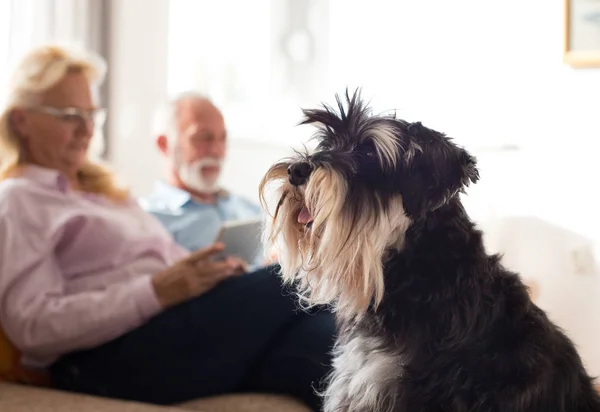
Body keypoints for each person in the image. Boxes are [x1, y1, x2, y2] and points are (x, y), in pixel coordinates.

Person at [0, 44, 335, 410]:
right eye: (67, 115)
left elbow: (170, 268)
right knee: (294, 277)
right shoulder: (19, 198)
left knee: (327, 346)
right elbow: (31, 326)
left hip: (174, 329)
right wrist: (155, 292)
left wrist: (215, 277)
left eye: (90, 113)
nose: (86, 128)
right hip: (107, 356)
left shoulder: (105, 193)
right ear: (21, 120)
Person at [140, 92, 269, 267]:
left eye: (223, 138)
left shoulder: (249, 208)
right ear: (164, 144)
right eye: (203, 138)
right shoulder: (148, 220)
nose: (217, 151)